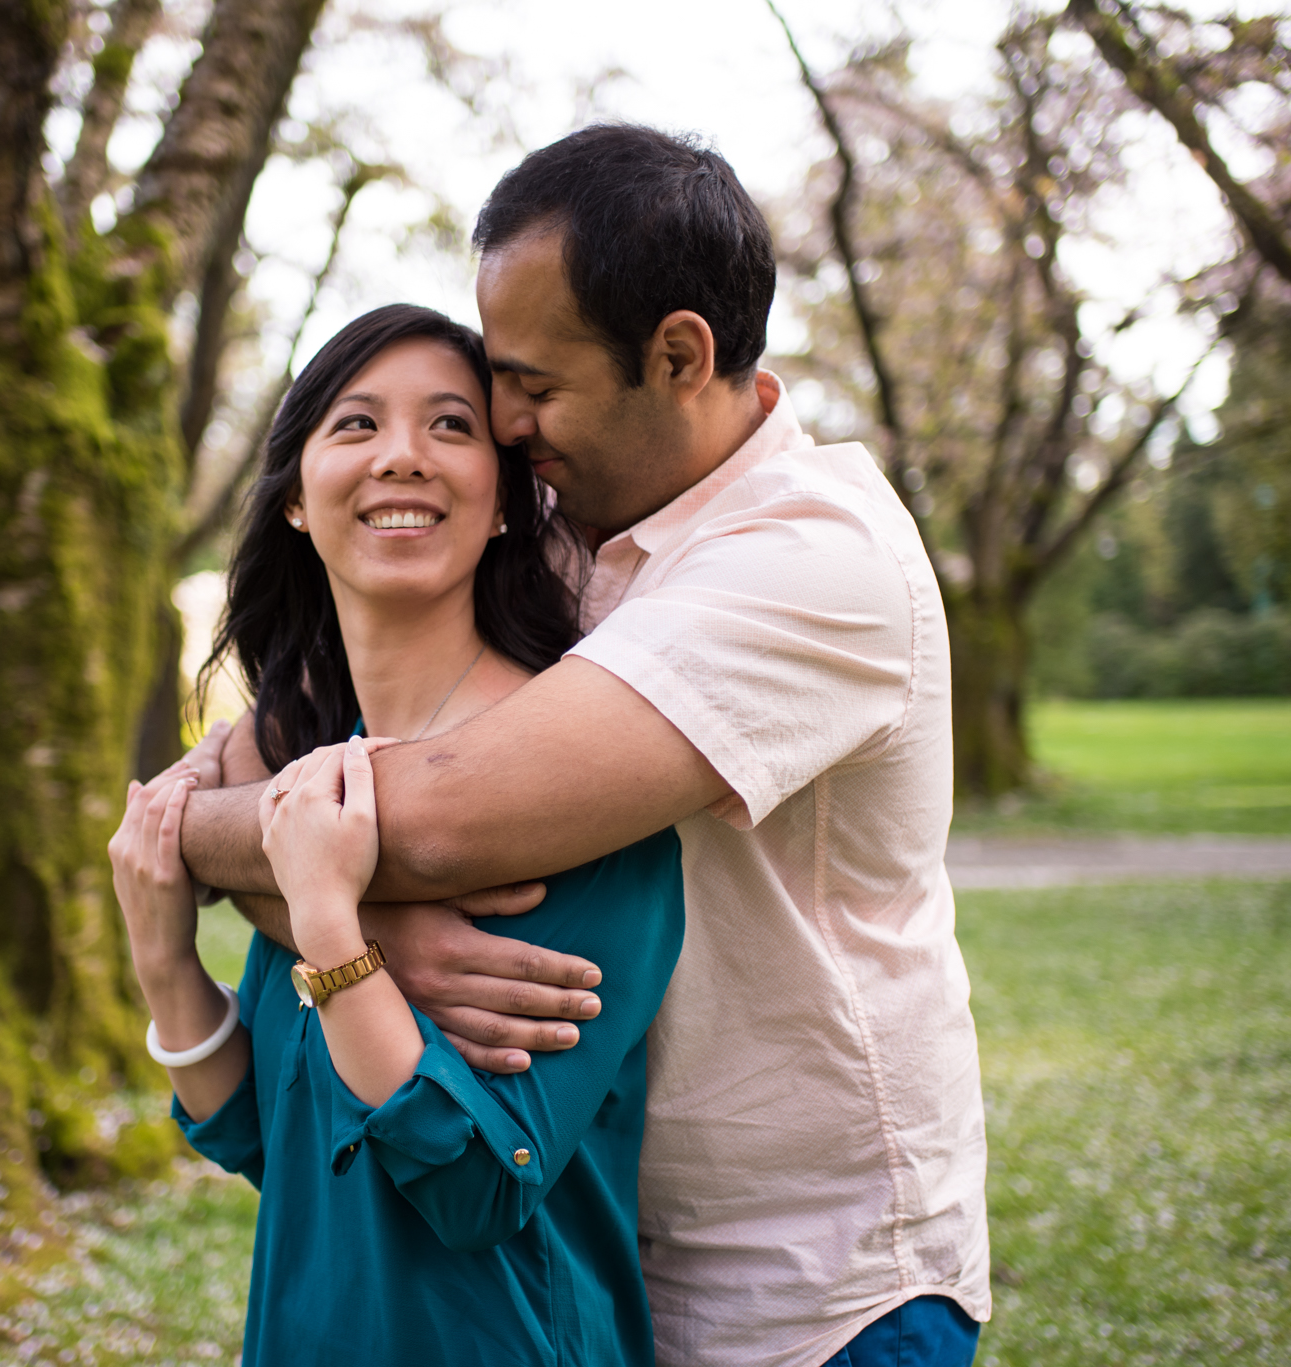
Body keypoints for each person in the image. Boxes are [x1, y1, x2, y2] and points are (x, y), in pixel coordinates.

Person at [177, 126, 990, 1367]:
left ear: (677, 355)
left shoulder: (812, 564)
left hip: (813, 1293)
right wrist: (313, 891)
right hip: (595, 1245)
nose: (503, 424)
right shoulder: (574, 520)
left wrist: (215, 856)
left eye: (533, 384)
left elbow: (437, 814)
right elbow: (288, 745)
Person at [108, 304, 687, 1366]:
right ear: (292, 496)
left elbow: (472, 1181)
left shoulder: (581, 792)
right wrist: (161, 954)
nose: (404, 458)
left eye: (452, 426)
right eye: (356, 424)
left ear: (507, 502)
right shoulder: (309, 779)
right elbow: (264, 1137)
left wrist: (330, 924)